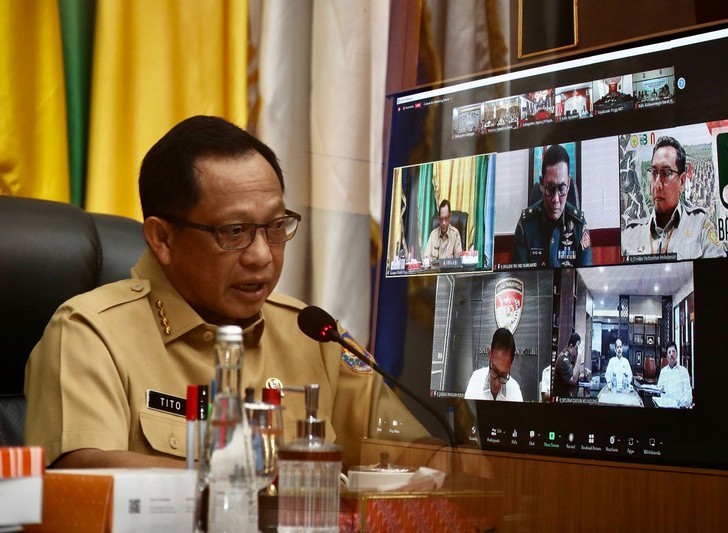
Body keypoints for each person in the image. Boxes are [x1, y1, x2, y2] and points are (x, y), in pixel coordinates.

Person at [24, 115, 428, 471]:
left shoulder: (314, 336)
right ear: (162, 238)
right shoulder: (90, 334)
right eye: (233, 232)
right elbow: (83, 473)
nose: (260, 256)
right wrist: (250, 483)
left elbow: (420, 456)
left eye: (275, 226)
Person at [621, 135, 725, 260]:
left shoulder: (700, 226)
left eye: (666, 173)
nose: (657, 184)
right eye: (654, 173)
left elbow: (720, 275)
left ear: (682, 181)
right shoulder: (630, 235)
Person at [512, 144, 592, 267]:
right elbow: (519, 280)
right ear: (541, 184)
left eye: (562, 188)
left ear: (569, 184)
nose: (555, 199)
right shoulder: (525, 226)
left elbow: (585, 280)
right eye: (550, 188)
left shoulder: (579, 226)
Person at [464, 328, 523, 401]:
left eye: (503, 376)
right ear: (489, 353)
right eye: (494, 371)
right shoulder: (476, 379)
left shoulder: (514, 389)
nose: (496, 384)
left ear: (511, 365)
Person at [657, 341, 693, 408]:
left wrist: (682, 404)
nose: (671, 354)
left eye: (673, 351)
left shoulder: (683, 371)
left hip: (680, 406)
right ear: (667, 356)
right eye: (669, 352)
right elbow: (660, 391)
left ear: (677, 354)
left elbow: (688, 392)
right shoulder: (663, 372)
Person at [553, 333, 589, 398]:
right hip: (561, 398)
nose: (577, 351)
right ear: (571, 346)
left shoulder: (569, 357)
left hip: (568, 394)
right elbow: (573, 380)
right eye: (577, 348)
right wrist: (579, 356)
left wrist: (583, 375)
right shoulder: (563, 359)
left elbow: (573, 374)